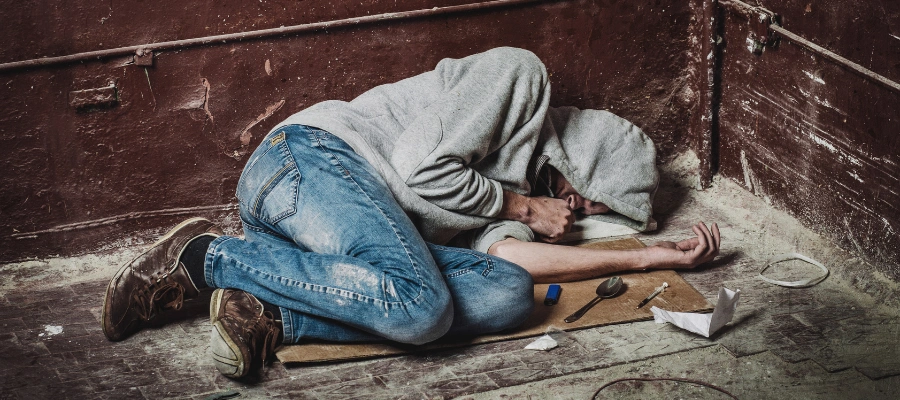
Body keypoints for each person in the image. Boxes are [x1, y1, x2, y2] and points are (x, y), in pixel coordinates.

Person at [100, 47, 720, 379]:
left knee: (510, 295)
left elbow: (508, 259)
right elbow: (420, 163)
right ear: (586, 159)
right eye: (588, 197)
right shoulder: (520, 78)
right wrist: (524, 203)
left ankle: (276, 309)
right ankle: (206, 257)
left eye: (593, 213)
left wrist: (645, 256)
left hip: (338, 236)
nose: (578, 212)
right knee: (423, 308)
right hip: (308, 163)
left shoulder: (517, 199)